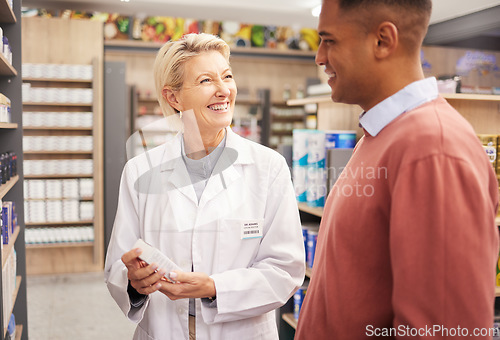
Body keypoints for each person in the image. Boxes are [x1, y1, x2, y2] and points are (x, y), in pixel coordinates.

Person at [296, 0, 500, 339]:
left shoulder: (433, 148)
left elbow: (443, 329)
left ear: (383, 40)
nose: (319, 57)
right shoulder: (382, 135)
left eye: (329, 40)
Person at [104, 33, 305, 340]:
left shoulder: (269, 168)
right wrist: (134, 283)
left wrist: (214, 288)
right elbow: (118, 264)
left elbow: (285, 270)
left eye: (227, 76)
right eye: (206, 81)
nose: (224, 90)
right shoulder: (140, 171)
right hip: (163, 330)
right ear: (173, 98)